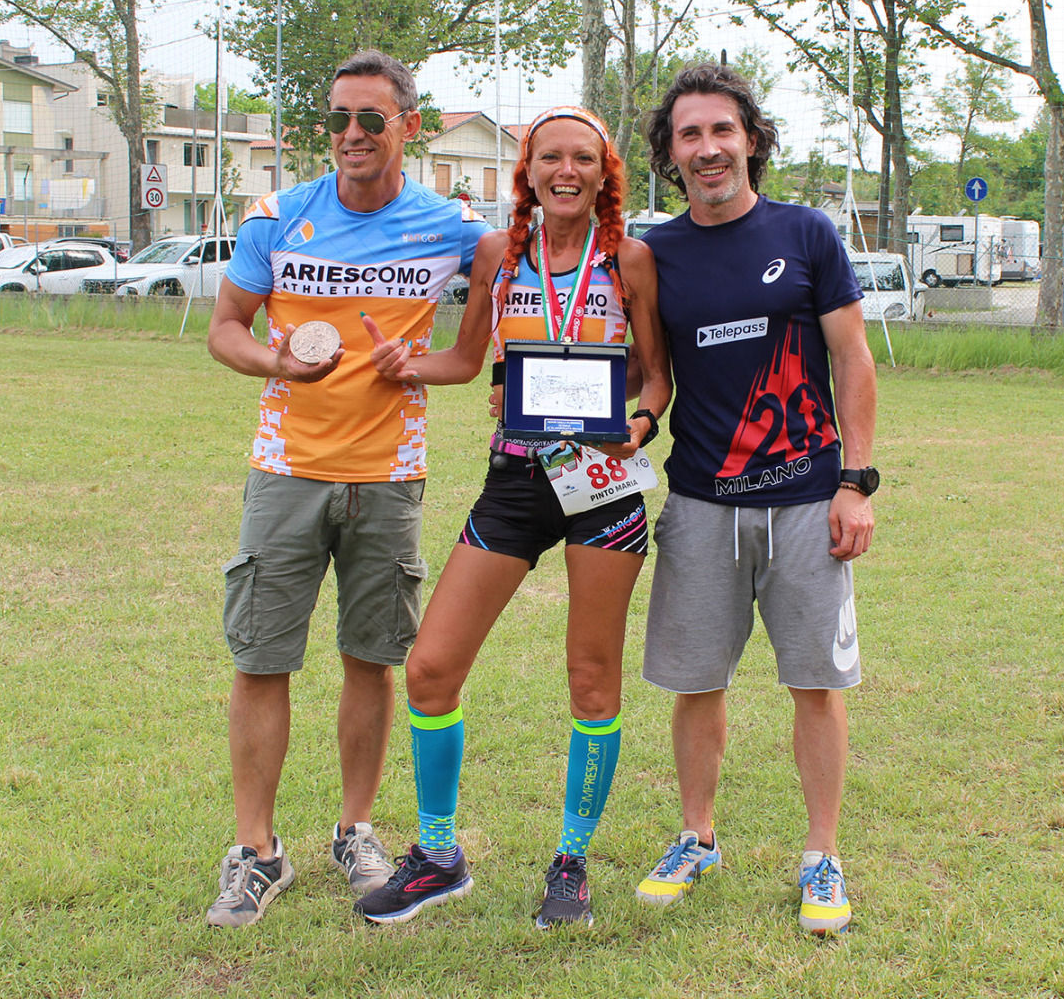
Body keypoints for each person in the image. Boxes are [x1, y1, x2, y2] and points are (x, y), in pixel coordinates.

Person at [354, 105, 670, 928]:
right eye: (549, 158)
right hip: (517, 480)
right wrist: (405, 364)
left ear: (604, 174)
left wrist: (638, 427)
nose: (566, 172)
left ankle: (571, 862)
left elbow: (657, 379)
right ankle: (438, 855)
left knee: (591, 678)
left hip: (602, 481)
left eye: (583, 159)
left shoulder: (630, 259)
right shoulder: (500, 253)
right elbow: (465, 360)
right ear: (526, 170)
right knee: (430, 668)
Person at [202, 49, 493, 927]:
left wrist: (422, 365)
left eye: (371, 119)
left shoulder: (453, 227)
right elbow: (225, 329)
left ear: (410, 125)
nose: (352, 135)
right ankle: (256, 852)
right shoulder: (279, 217)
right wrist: (276, 362)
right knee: (262, 659)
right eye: (338, 119)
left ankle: (355, 830)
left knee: (372, 659)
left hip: (388, 479)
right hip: (285, 472)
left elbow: (474, 349)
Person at [632, 63, 879, 935]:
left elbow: (852, 359)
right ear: (670, 154)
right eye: (689, 135)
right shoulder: (653, 254)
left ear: (751, 140)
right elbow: (651, 374)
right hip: (702, 503)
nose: (708, 149)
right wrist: (624, 418)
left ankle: (822, 856)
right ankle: (696, 838)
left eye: (722, 130)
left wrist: (855, 481)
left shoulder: (806, 233)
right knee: (696, 682)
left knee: (816, 682)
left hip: (809, 501)